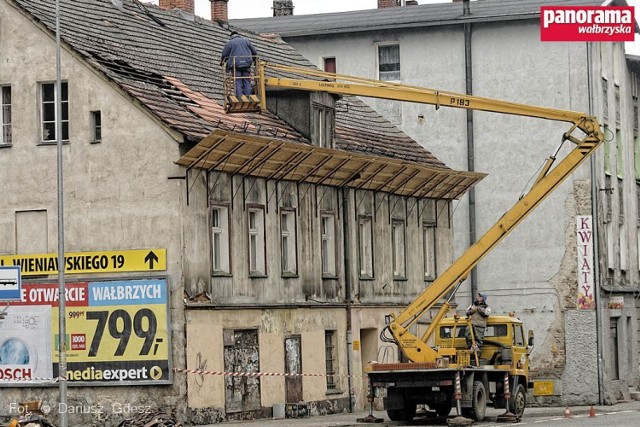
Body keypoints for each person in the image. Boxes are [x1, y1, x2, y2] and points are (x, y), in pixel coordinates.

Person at [221, 30, 258, 98]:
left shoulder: (230, 43)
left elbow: (224, 54)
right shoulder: (246, 41)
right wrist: (254, 60)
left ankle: (239, 97)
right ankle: (248, 97)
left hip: (236, 65)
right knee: (246, 81)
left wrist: (222, 61)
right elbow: (254, 52)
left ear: (231, 36)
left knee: (237, 81)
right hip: (246, 64)